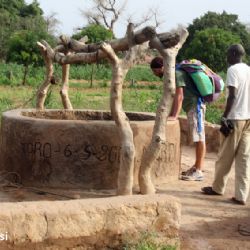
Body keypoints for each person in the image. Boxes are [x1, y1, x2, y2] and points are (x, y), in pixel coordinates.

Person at [202, 44, 250, 205]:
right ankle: (241, 196)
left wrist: (224, 117)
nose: (226, 57)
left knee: (225, 157)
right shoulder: (248, 70)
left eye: (228, 54)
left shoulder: (233, 70)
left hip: (235, 118)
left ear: (235, 54)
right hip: (248, 119)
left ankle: (217, 188)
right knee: (244, 159)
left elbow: (232, 96)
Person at [150, 57, 206, 181]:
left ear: (162, 67)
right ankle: (196, 167)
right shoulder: (175, 73)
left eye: (155, 71)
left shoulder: (177, 73)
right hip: (191, 106)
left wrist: (174, 115)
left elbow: (179, 96)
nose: (155, 74)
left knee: (199, 137)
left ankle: (199, 170)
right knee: (197, 137)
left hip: (195, 105)